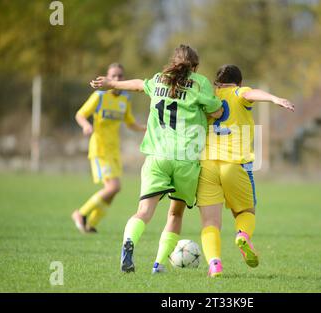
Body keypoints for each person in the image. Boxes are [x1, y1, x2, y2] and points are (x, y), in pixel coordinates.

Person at [90, 44, 223, 273]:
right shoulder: (200, 82)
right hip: (186, 158)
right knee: (175, 212)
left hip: (157, 155)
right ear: (195, 65)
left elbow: (138, 85)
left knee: (143, 211)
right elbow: (217, 111)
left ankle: (129, 242)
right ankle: (158, 264)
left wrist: (111, 84)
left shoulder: (160, 79)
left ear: (173, 62)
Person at [197, 64, 294, 277]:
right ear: (238, 82)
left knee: (210, 222)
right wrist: (274, 98)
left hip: (207, 164)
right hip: (234, 163)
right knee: (246, 212)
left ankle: (214, 264)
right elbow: (251, 93)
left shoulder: (208, 95)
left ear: (217, 82)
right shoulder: (240, 92)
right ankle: (242, 235)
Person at [72, 63, 146, 234]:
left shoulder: (125, 99)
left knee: (112, 192)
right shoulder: (100, 96)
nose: (117, 79)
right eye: (113, 76)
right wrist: (85, 126)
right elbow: (80, 114)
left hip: (114, 151)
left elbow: (130, 123)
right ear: (107, 77)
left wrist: (144, 128)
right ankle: (80, 213)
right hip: (100, 149)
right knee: (114, 187)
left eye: (120, 76)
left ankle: (91, 223)